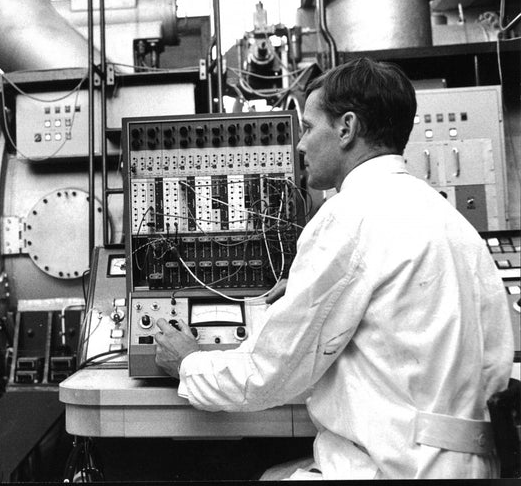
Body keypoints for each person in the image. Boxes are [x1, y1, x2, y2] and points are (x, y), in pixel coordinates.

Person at [154, 57, 514, 479]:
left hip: (398, 466)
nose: (300, 145)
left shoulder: (349, 216)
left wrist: (189, 364)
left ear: (346, 128)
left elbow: (270, 374)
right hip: (465, 466)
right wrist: (309, 293)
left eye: (308, 127)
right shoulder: (450, 219)